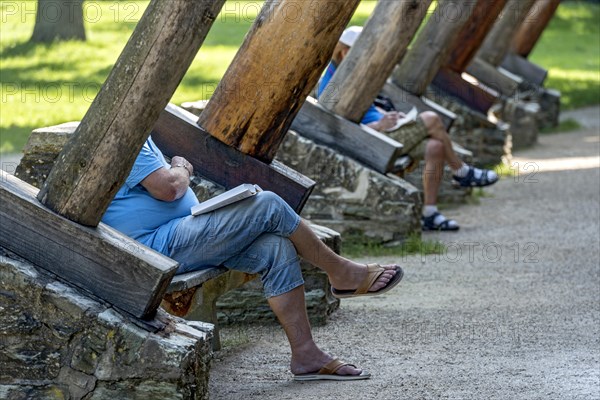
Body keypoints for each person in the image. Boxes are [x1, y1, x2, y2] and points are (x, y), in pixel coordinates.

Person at [102, 137, 404, 381]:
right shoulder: (124, 133)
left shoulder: (140, 134)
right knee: (268, 205)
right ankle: (342, 273)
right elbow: (168, 188)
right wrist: (182, 167)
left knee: (275, 248)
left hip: (176, 238)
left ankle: (306, 355)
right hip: (156, 249)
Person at [318, 26, 499, 231]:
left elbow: (366, 107)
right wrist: (380, 125)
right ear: (344, 53)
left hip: (387, 130)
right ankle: (461, 171)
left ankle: (430, 213)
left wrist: (389, 116)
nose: (366, 60)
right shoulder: (331, 84)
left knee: (435, 147)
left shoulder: (348, 75)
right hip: (378, 139)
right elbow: (342, 130)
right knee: (431, 119)